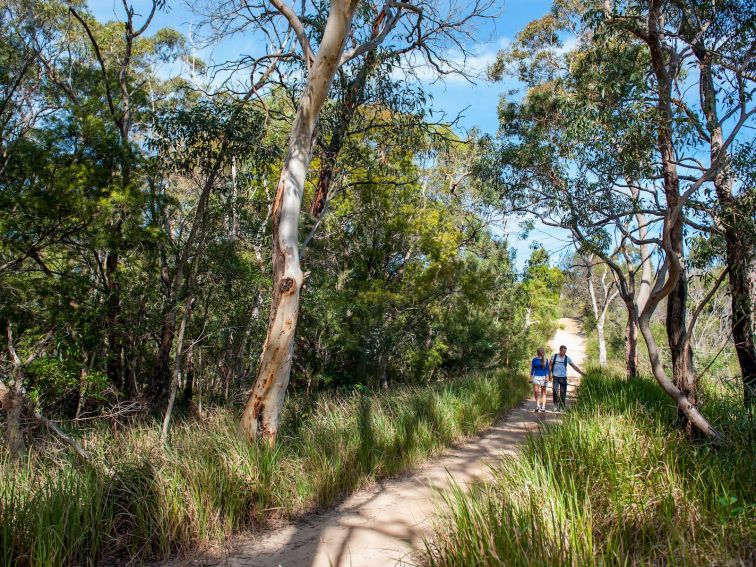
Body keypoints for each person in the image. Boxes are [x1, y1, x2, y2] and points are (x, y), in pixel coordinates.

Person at [549, 344, 585, 411]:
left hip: (563, 377)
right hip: (555, 377)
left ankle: (562, 406)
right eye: (563, 351)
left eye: (565, 352)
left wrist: (582, 373)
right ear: (560, 350)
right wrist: (549, 375)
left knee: (563, 393)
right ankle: (555, 406)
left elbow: (574, 366)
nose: (564, 353)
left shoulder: (567, 358)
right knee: (555, 392)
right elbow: (550, 366)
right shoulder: (554, 356)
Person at [530, 347, 550, 413]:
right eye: (541, 351)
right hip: (536, 377)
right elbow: (532, 369)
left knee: (543, 392)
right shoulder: (534, 360)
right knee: (536, 392)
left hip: (543, 377)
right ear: (538, 352)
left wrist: (547, 377)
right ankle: (537, 405)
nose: (542, 352)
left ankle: (543, 407)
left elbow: (547, 369)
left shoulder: (546, 359)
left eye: (543, 351)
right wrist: (531, 377)